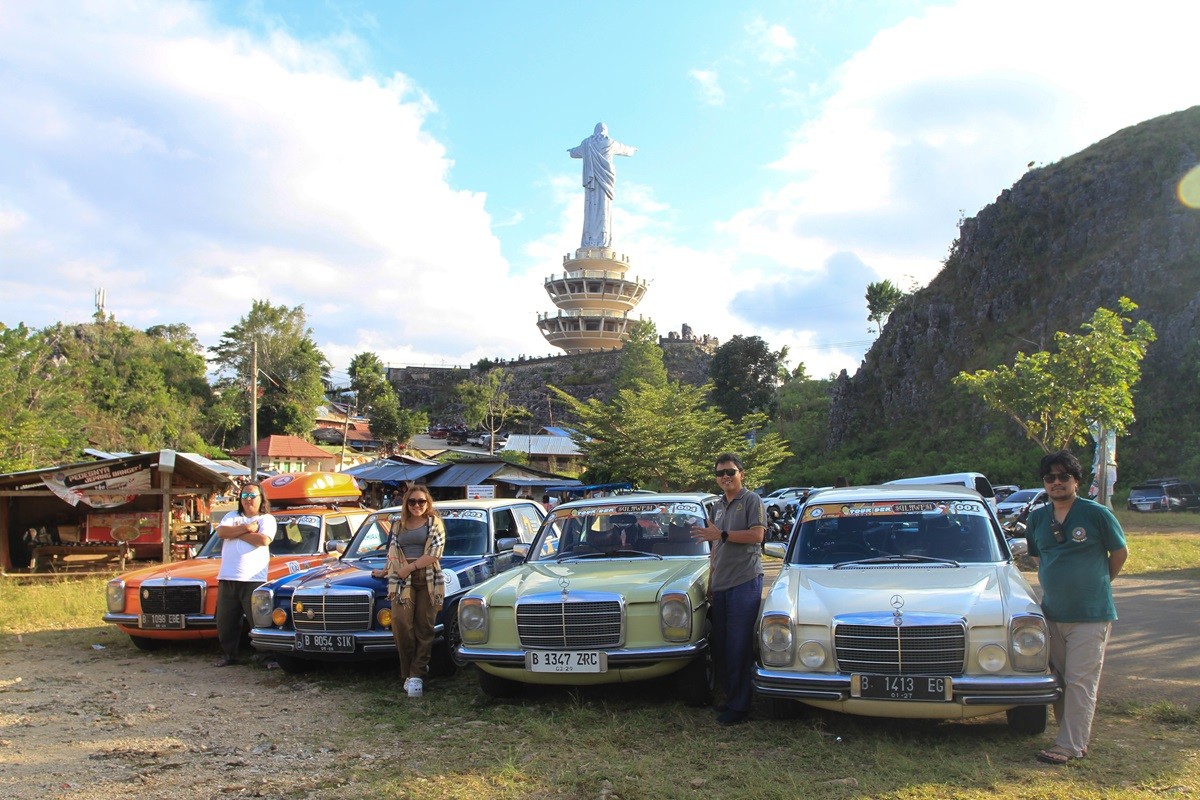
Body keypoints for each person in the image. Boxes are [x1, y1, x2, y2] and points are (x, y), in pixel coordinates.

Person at [1026, 450, 1128, 765]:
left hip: (1090, 615)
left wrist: (1097, 583)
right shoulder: (1037, 517)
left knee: (1081, 681)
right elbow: (1038, 557)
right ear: (1044, 483)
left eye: (1063, 477)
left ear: (1076, 480)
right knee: (1060, 679)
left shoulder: (1096, 514)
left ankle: (1070, 745)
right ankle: (1068, 737)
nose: (1057, 482)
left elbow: (1119, 553)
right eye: (1050, 478)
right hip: (1053, 614)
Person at [693, 453, 767, 725]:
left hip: (744, 581)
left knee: (738, 645)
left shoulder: (751, 501)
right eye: (720, 473)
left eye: (730, 472)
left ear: (741, 474)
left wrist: (721, 534)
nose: (725, 477)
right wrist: (712, 579)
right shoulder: (718, 506)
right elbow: (715, 547)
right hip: (722, 583)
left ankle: (740, 705)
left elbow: (757, 536)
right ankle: (731, 697)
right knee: (722, 645)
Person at [372, 485, 445, 698]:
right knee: (402, 625)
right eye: (412, 501)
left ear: (428, 503)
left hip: (427, 577)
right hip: (401, 580)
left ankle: (416, 675)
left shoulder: (435, 524)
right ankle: (409, 672)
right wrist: (385, 571)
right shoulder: (397, 525)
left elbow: (435, 553)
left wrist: (409, 568)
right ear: (406, 503)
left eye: (421, 501)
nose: (417, 505)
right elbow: (392, 552)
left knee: (425, 627)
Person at [213, 482, 276, 667]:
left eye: (252, 496)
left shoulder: (266, 519)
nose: (248, 500)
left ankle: (267, 657)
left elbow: (263, 540)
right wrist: (247, 529)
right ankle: (229, 655)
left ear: (261, 498)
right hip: (227, 577)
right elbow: (221, 532)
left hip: (252, 579)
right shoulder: (232, 516)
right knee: (225, 621)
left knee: (259, 620)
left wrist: (236, 533)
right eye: (245, 496)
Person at [568, 122, 637, 248]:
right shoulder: (610, 143)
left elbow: (574, 152)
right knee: (603, 208)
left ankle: (590, 240)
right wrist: (632, 149)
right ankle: (602, 240)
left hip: (593, 183)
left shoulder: (586, 143)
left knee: (592, 209)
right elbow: (625, 149)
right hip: (604, 181)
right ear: (605, 130)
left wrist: (570, 150)